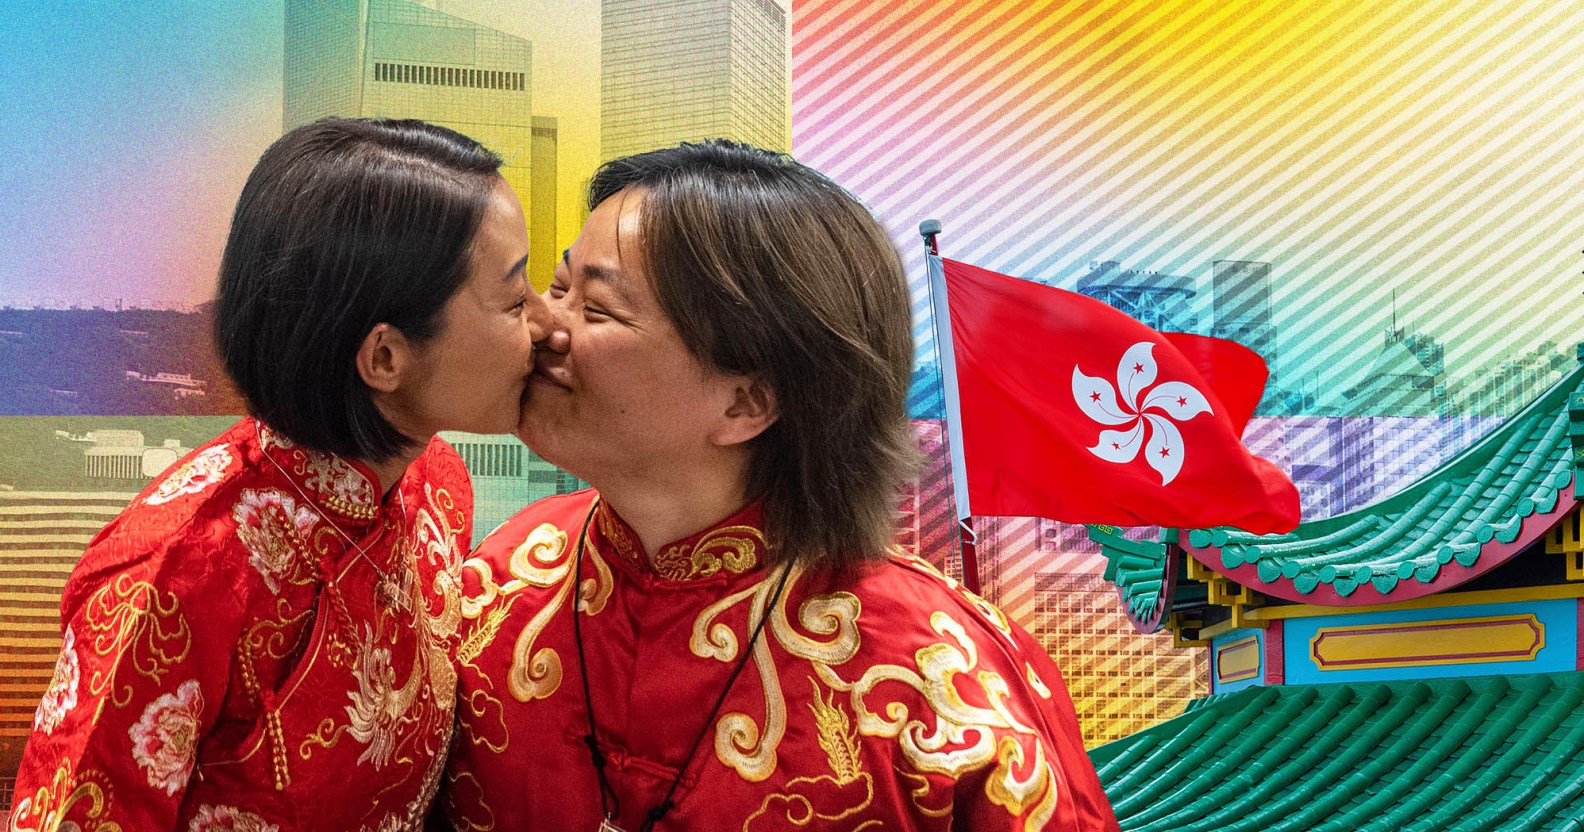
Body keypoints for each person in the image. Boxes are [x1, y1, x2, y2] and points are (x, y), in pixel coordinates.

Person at [441, 140, 1120, 831]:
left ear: (747, 404)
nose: (542, 325)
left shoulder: (941, 681)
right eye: (559, 287)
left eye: (599, 309)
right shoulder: (491, 585)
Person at [7, 118, 552, 832]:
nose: (546, 320)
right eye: (514, 301)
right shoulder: (172, 576)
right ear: (384, 358)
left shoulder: (436, 483)